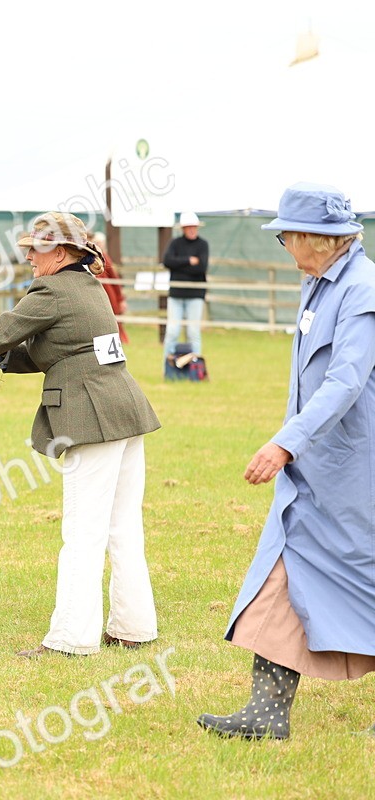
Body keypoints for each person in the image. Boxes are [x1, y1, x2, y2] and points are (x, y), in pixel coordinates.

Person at [0, 212, 161, 658]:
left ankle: (70, 639)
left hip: (91, 417)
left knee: (82, 532)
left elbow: (0, 333)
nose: (29, 258)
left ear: (61, 253)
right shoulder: (88, 288)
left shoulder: (51, 290)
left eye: (35, 250)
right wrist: (6, 356)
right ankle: (133, 628)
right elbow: (64, 345)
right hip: (126, 411)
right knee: (122, 528)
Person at [197, 183, 375, 741]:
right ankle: (266, 713)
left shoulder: (361, 290)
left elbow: (346, 380)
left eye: (284, 236)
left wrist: (285, 443)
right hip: (314, 469)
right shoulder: (318, 284)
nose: (282, 245)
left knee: (362, 578)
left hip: (352, 470)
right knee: (283, 569)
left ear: (314, 239)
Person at [161, 211, 209, 361]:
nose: (192, 230)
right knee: (172, 332)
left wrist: (178, 265)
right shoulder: (175, 243)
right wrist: (188, 260)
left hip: (195, 295)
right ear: (183, 229)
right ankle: (167, 365)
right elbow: (167, 261)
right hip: (176, 295)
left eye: (194, 227)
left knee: (193, 332)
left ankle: (196, 366)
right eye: (189, 227)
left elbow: (201, 268)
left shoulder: (203, 245)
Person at [92, 231, 129, 344]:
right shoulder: (90, 258)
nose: (99, 245)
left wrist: (120, 299)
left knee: (114, 320)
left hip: (108, 294)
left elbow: (114, 278)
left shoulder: (104, 258)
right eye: (96, 242)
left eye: (100, 243)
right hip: (96, 294)